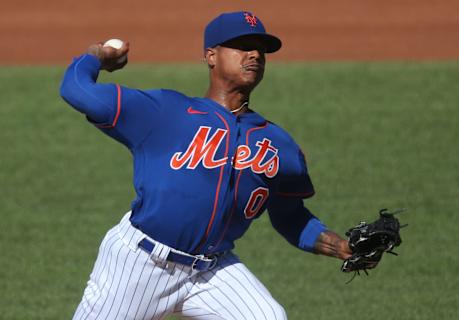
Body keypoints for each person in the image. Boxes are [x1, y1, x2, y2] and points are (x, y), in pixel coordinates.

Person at [60, 11, 352, 320]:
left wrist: (340, 246)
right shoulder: (164, 111)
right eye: (242, 45)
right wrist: (96, 56)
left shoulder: (278, 144)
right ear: (211, 56)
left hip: (212, 271)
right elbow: (76, 89)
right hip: (140, 263)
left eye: (260, 48)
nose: (254, 54)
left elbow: (291, 217)